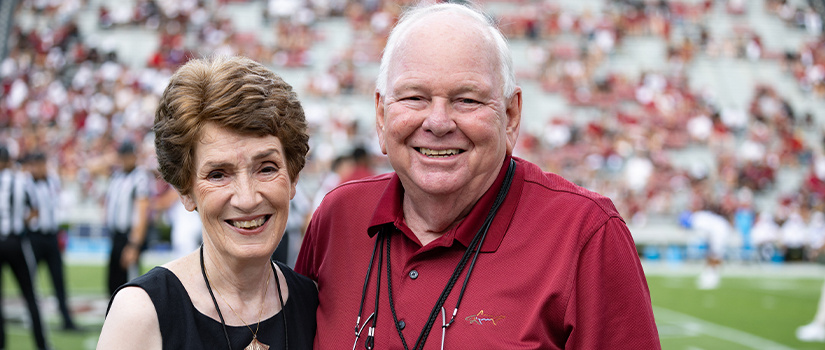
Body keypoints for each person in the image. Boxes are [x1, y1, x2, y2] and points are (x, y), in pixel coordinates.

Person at [295, 3, 660, 349]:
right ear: (380, 114)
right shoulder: (337, 216)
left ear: (511, 115)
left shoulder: (587, 234)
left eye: (467, 100)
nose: (437, 123)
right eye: (414, 97)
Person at [97, 55, 318, 349]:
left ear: (293, 177)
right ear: (185, 191)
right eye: (218, 175)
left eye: (266, 168)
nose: (247, 198)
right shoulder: (141, 313)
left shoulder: (315, 304)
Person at [23, 150, 80, 331]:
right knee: (29, 280)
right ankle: (31, 317)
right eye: (37, 164)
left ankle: (66, 319)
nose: (40, 168)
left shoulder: (52, 181)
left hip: (51, 236)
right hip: (34, 237)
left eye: (42, 164)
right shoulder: (25, 184)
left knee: (58, 279)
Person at [0, 146, 50, 350]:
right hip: (16, 242)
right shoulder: (21, 181)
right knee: (30, 296)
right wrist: (21, 223)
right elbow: (35, 210)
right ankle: (41, 344)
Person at [103, 141, 151, 296]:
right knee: (112, 285)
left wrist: (134, 245)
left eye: (128, 156)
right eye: (123, 156)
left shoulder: (140, 177)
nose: (126, 159)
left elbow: (142, 212)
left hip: (129, 236)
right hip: (116, 236)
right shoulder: (117, 176)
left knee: (130, 288)